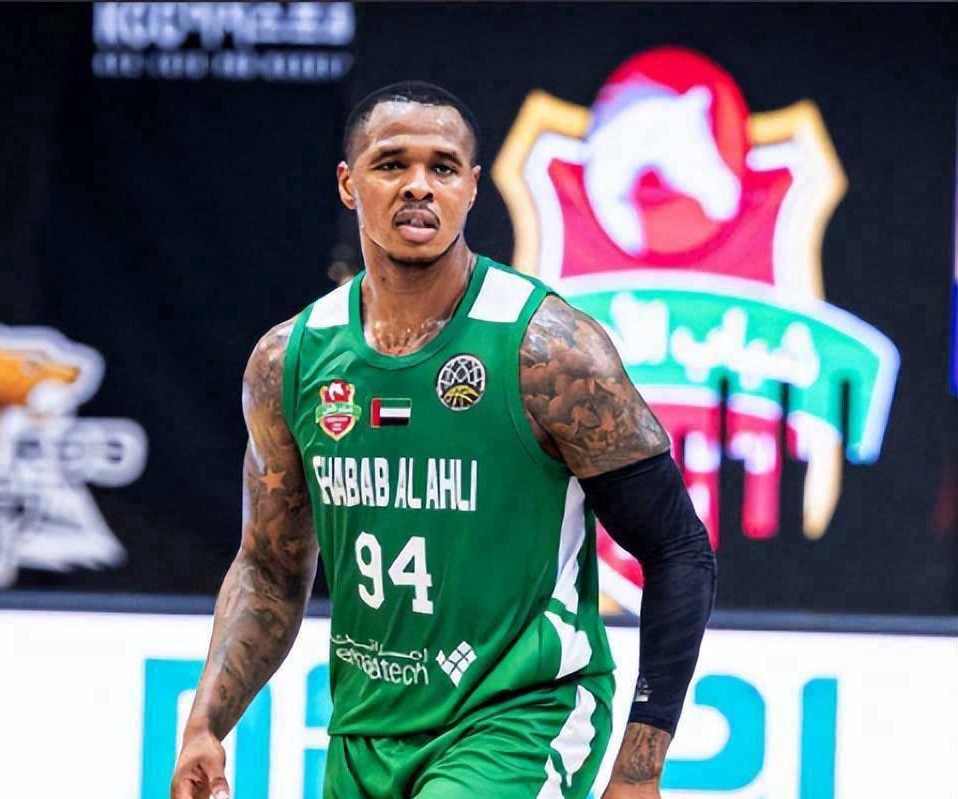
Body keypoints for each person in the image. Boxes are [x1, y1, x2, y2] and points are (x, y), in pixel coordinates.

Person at [171, 82, 716, 799]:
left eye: (443, 167)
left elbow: (679, 549)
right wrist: (206, 722)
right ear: (348, 184)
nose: (418, 186)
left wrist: (640, 765)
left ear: (472, 188)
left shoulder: (549, 352)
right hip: (364, 729)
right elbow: (270, 567)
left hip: (517, 716)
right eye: (391, 163)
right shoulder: (290, 361)